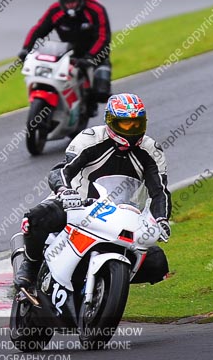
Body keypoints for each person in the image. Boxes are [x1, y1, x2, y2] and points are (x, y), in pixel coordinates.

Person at [14, 93, 171, 289]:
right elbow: (62, 170)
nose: (131, 130)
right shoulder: (90, 139)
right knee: (37, 216)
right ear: (110, 121)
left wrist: (161, 219)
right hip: (78, 205)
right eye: (124, 124)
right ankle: (30, 265)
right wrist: (64, 190)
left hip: (120, 215)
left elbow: (160, 192)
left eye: (136, 124)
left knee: (158, 263)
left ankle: (107, 285)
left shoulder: (151, 150)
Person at [18, 0, 112, 116]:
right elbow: (38, 29)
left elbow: (104, 37)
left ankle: (89, 104)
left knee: (101, 92)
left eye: (73, 2)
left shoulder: (95, 9)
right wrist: (26, 48)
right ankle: (59, 102)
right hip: (71, 51)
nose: (70, 6)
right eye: (67, 3)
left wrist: (91, 57)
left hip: (95, 52)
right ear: (61, 2)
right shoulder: (55, 10)